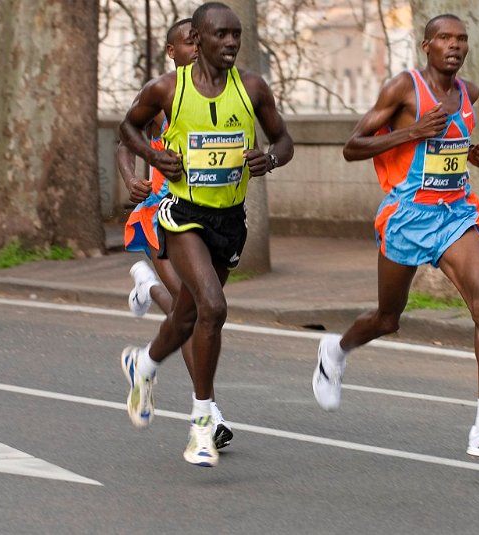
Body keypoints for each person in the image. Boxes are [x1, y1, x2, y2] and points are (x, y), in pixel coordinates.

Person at [311, 13, 479, 461]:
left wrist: (476, 155)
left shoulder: (469, 93)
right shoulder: (402, 88)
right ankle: (337, 349)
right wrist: (412, 130)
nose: (455, 45)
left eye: (462, 39)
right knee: (389, 318)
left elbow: (451, 151)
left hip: (453, 213)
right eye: (445, 38)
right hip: (408, 215)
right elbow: (352, 147)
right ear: (426, 45)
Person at [118, 1, 293, 468]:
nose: (231, 42)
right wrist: (154, 160)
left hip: (229, 219)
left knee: (188, 314)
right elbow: (128, 128)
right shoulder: (167, 89)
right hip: (181, 213)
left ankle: (145, 364)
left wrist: (270, 159)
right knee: (213, 306)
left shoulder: (253, 88)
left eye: (236, 35)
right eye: (221, 35)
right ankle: (201, 425)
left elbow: (284, 140)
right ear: (198, 38)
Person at [117, 17, 234, 451]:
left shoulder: (223, 94)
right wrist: (133, 178)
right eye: (190, 42)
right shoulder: (164, 92)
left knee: (189, 307)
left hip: (208, 219)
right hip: (163, 214)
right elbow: (124, 140)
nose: (197, 48)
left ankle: (146, 291)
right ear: (174, 51)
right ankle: (208, 411)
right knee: (203, 305)